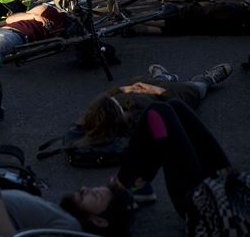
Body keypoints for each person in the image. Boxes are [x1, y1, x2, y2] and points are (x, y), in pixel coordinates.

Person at [61, 99, 250, 236]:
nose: (85, 188)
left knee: (175, 106)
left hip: (232, 195)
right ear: (99, 220)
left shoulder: (99, 208)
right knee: (157, 112)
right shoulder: (199, 208)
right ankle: (126, 182)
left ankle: (133, 183)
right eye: (81, 196)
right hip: (208, 210)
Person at [77, 63, 233, 145]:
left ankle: (163, 77)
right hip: (161, 96)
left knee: (141, 82)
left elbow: (110, 94)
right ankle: (206, 80)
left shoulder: (97, 114)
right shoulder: (138, 118)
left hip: (140, 88)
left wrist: (130, 88)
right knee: (194, 90)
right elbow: (172, 108)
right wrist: (158, 91)